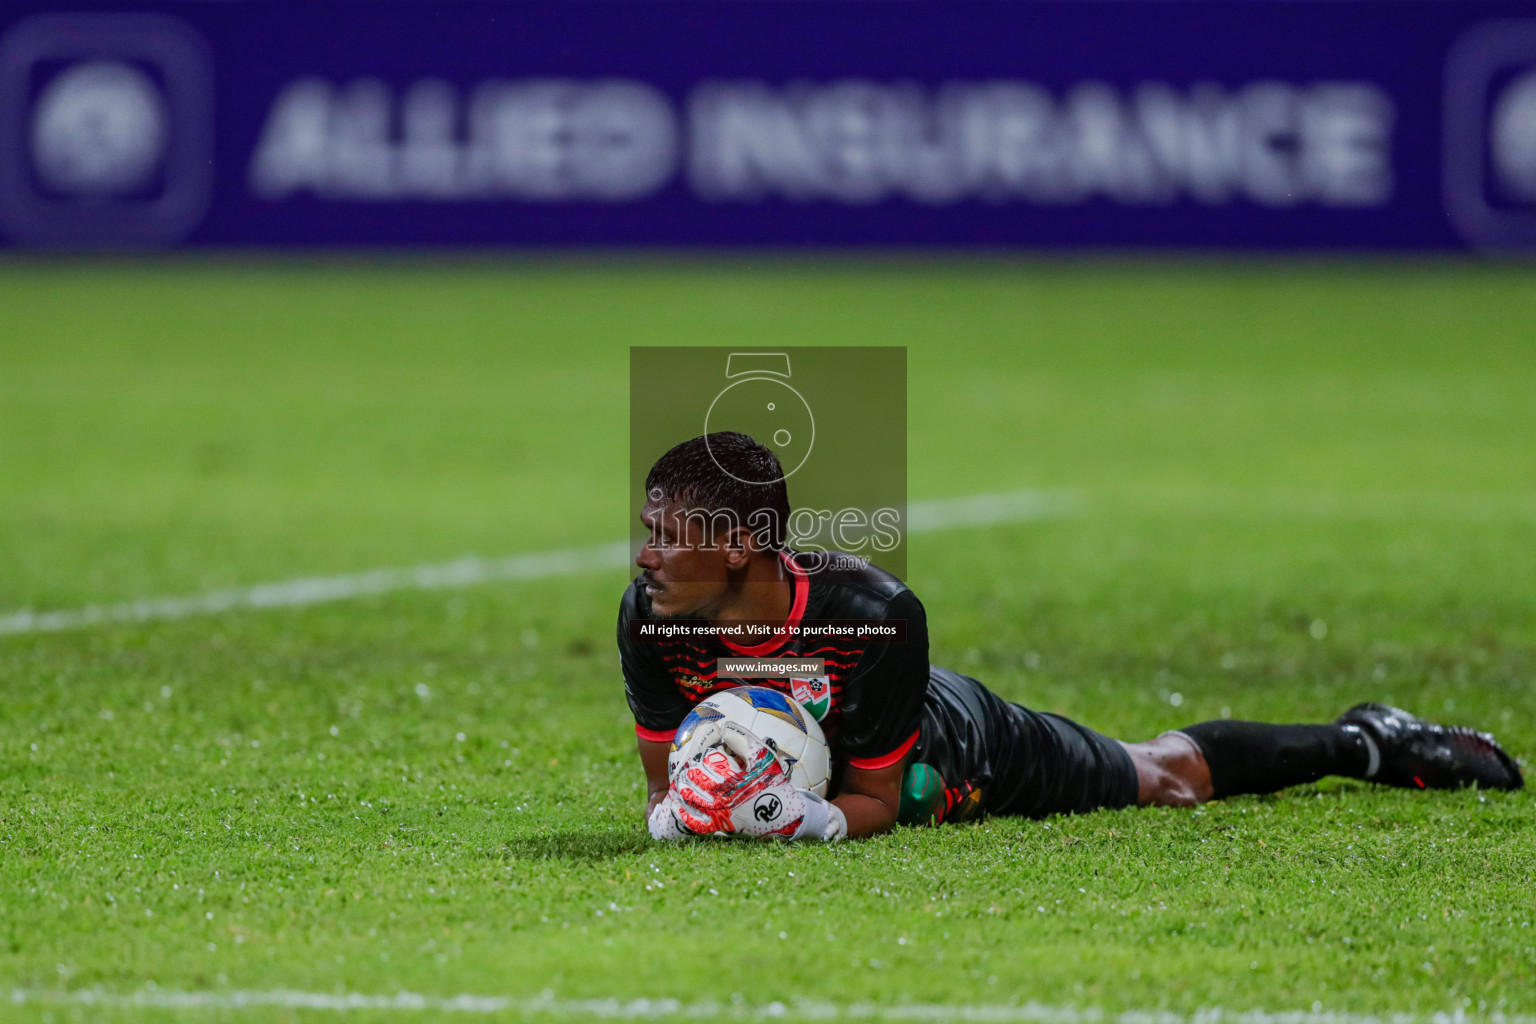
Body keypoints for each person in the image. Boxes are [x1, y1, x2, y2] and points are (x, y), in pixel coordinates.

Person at [620, 432, 1523, 843]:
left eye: (665, 535)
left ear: (739, 546)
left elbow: (880, 802)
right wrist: (690, 813)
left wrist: (810, 823)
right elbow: (668, 787)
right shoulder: (648, 621)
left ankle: (1368, 741)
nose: (644, 556)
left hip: (956, 745)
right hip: (827, 753)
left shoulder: (872, 613)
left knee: (1166, 780)